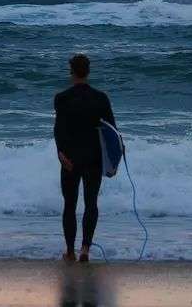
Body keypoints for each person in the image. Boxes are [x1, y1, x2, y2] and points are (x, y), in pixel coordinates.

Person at [53, 54, 116, 262]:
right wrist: (113, 160)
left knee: (69, 205)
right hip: (93, 158)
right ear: (88, 72)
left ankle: (70, 252)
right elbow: (112, 132)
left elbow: (59, 130)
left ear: (71, 72)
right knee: (91, 203)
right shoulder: (101, 98)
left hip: (70, 159)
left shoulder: (62, 98)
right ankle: (85, 249)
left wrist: (60, 153)